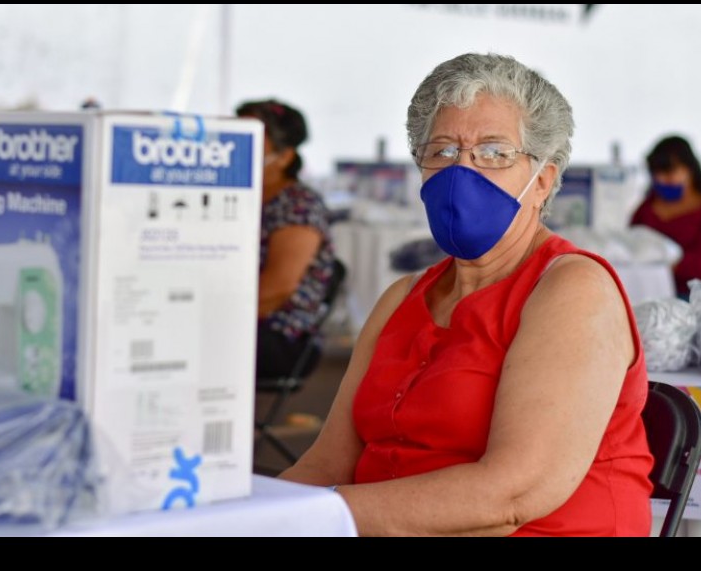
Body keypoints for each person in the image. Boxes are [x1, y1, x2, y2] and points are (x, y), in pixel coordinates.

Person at [280, 54, 654, 537]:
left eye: (494, 152)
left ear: (542, 180)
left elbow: (511, 495)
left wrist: (318, 516)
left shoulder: (572, 291)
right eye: (442, 151)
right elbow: (327, 464)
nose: (462, 170)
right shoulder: (402, 298)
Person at [236, 99, 335, 381]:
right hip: (244, 322)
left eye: (250, 141)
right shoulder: (239, 198)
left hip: (280, 334)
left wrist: (213, 320)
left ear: (284, 156)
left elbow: (276, 290)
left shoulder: (298, 205)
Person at [631, 136, 701, 299]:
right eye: (656, 173)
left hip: (698, 298)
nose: (661, 179)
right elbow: (630, 247)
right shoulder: (646, 208)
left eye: (668, 172)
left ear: (690, 169)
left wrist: (669, 263)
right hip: (647, 294)